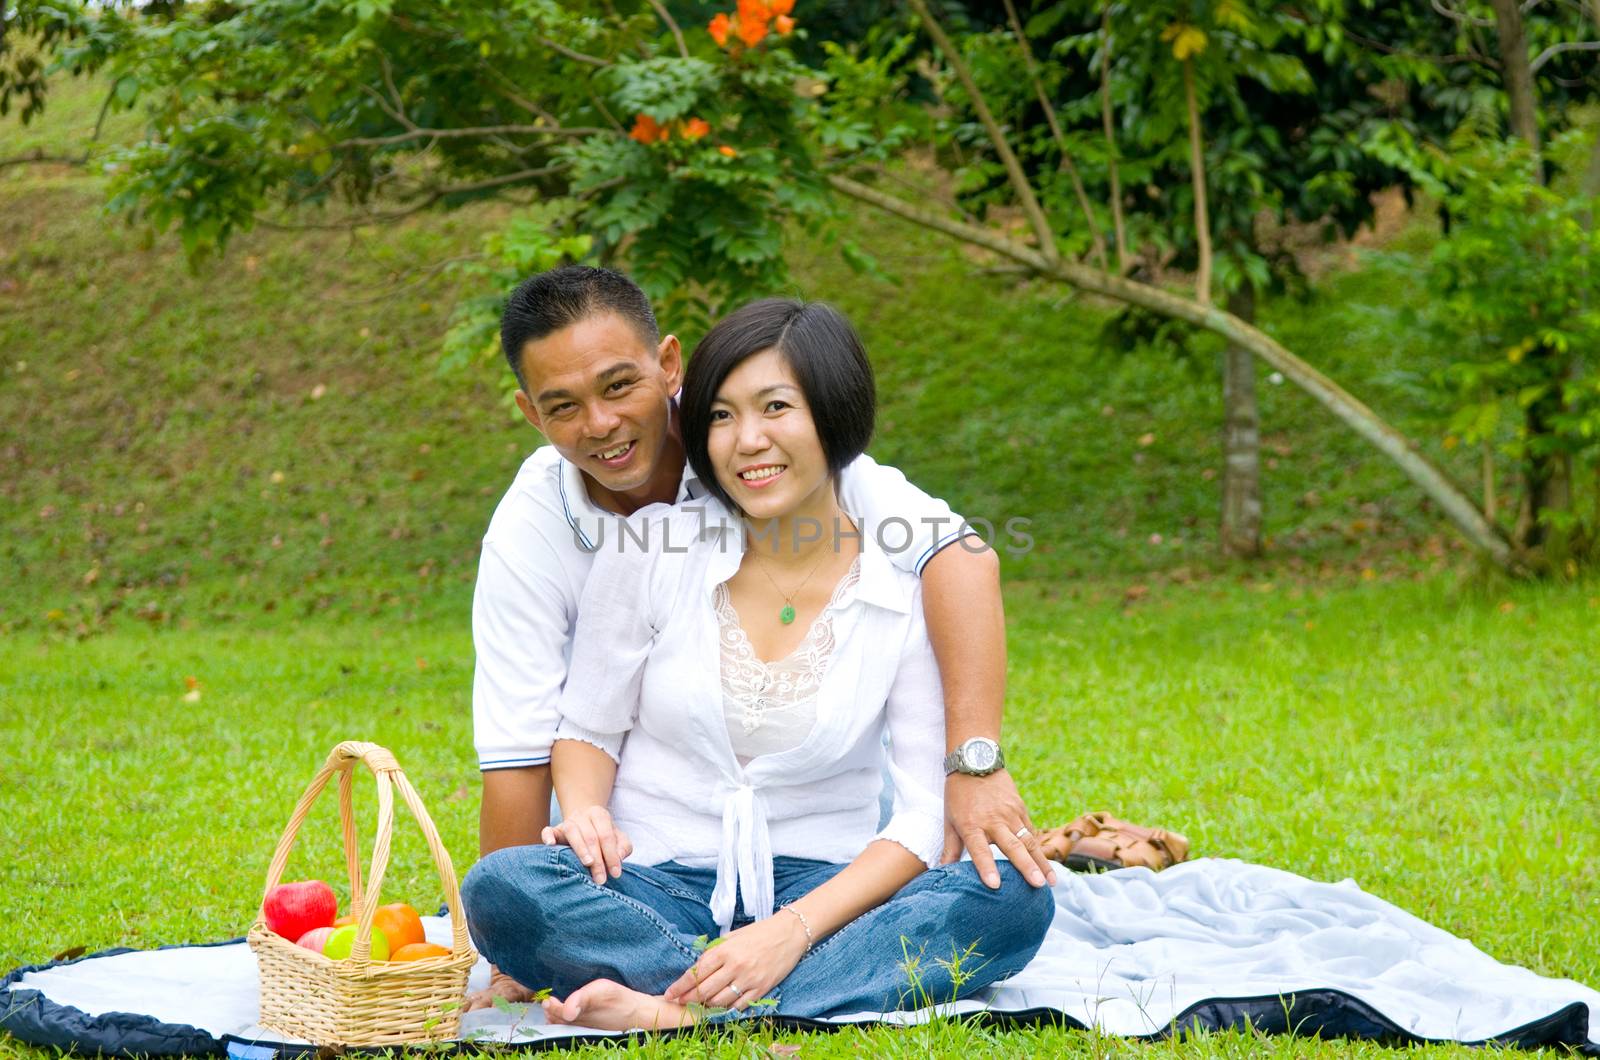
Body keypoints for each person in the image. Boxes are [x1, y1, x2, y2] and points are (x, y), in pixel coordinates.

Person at [465, 266, 1055, 1009]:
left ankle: (674, 1008)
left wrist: (974, 767)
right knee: (502, 886)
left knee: (1011, 899)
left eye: (776, 409)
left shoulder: (895, 564)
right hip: (654, 876)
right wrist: (518, 935)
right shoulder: (606, 541)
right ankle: (752, 998)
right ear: (532, 413)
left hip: (822, 878)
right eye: (722, 418)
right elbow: (548, 733)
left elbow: (965, 562)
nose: (748, 442)